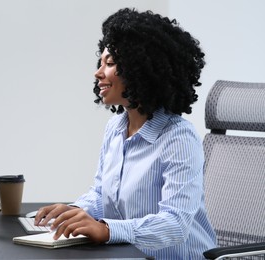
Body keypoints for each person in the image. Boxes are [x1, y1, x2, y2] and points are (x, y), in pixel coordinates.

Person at [34, 8, 216, 259]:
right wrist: (74, 211)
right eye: (100, 63)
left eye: (110, 64)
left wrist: (107, 230)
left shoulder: (178, 138)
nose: (98, 73)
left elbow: (175, 224)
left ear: (139, 69)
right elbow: (101, 194)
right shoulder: (116, 128)